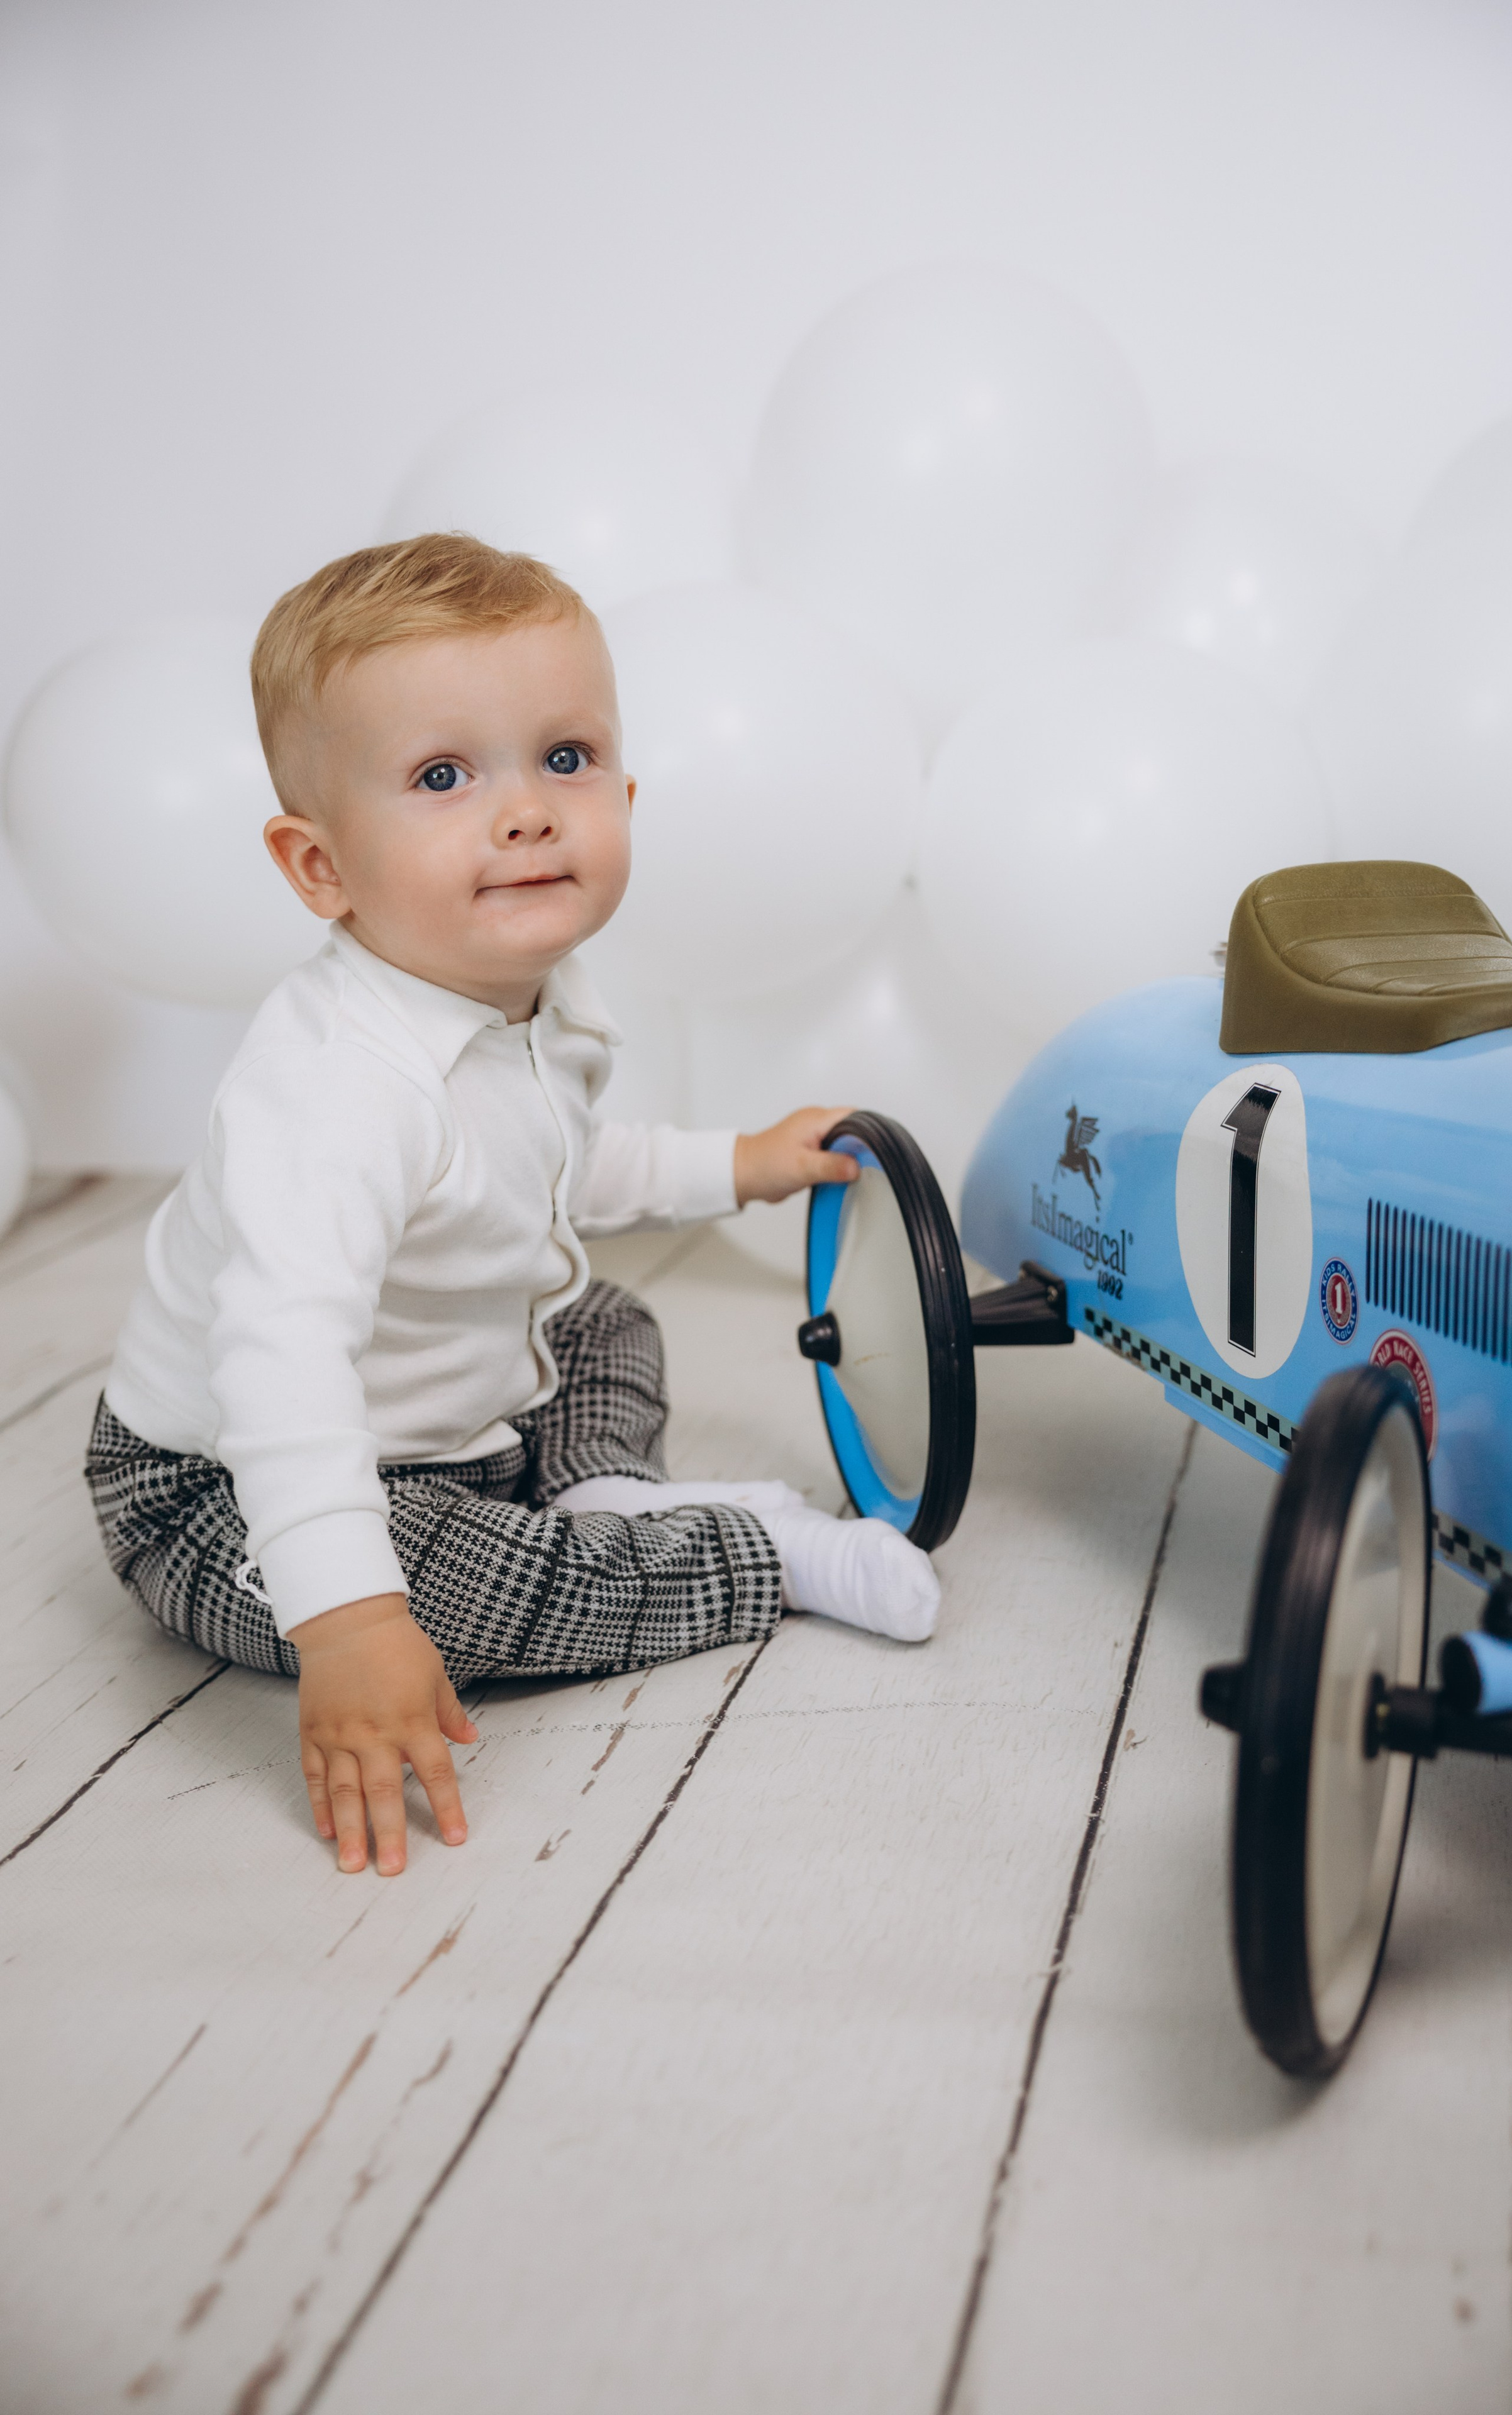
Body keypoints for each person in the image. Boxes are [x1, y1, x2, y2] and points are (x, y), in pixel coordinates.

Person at [84, 533, 940, 1878]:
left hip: (447, 1412)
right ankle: (754, 1561)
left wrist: (733, 1163)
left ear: (625, 790)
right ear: (321, 869)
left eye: (565, 758)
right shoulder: (335, 1089)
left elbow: (547, 1174)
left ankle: (602, 1486)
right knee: (458, 1599)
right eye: (441, 777)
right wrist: (349, 1619)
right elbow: (283, 1361)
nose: (529, 811)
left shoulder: (534, 997)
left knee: (603, 1316)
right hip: (235, 1478)